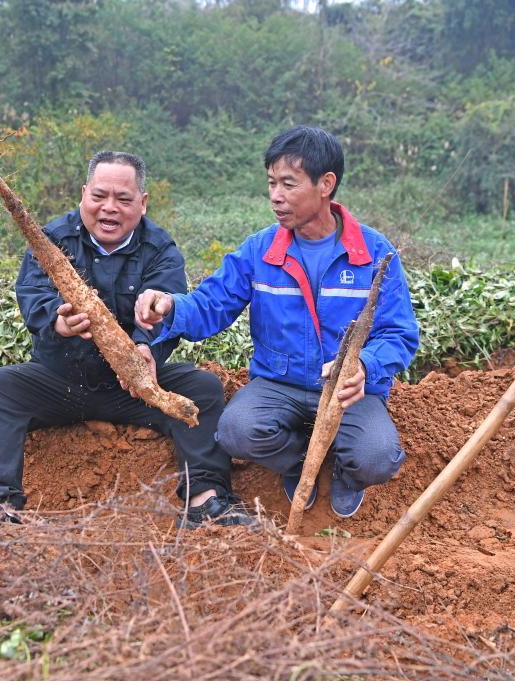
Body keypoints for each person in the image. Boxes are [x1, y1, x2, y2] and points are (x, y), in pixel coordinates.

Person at [135, 126, 418, 519]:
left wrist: (364, 366)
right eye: (271, 183)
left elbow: (399, 333)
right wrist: (171, 307)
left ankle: (344, 472)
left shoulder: (374, 253)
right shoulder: (261, 249)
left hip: (347, 392)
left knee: (377, 458)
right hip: (278, 385)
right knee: (237, 431)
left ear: (326, 184)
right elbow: (212, 303)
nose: (275, 196)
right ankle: (301, 462)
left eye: (288, 183)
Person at [0, 150, 253, 528]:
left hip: (135, 387)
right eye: (99, 196)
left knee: (201, 388)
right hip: (60, 380)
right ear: (84, 194)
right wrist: (58, 319)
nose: (109, 209)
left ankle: (205, 501)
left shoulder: (160, 250)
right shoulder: (53, 237)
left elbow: (164, 308)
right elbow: (32, 292)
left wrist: (144, 348)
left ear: (143, 203)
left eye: (123, 199)